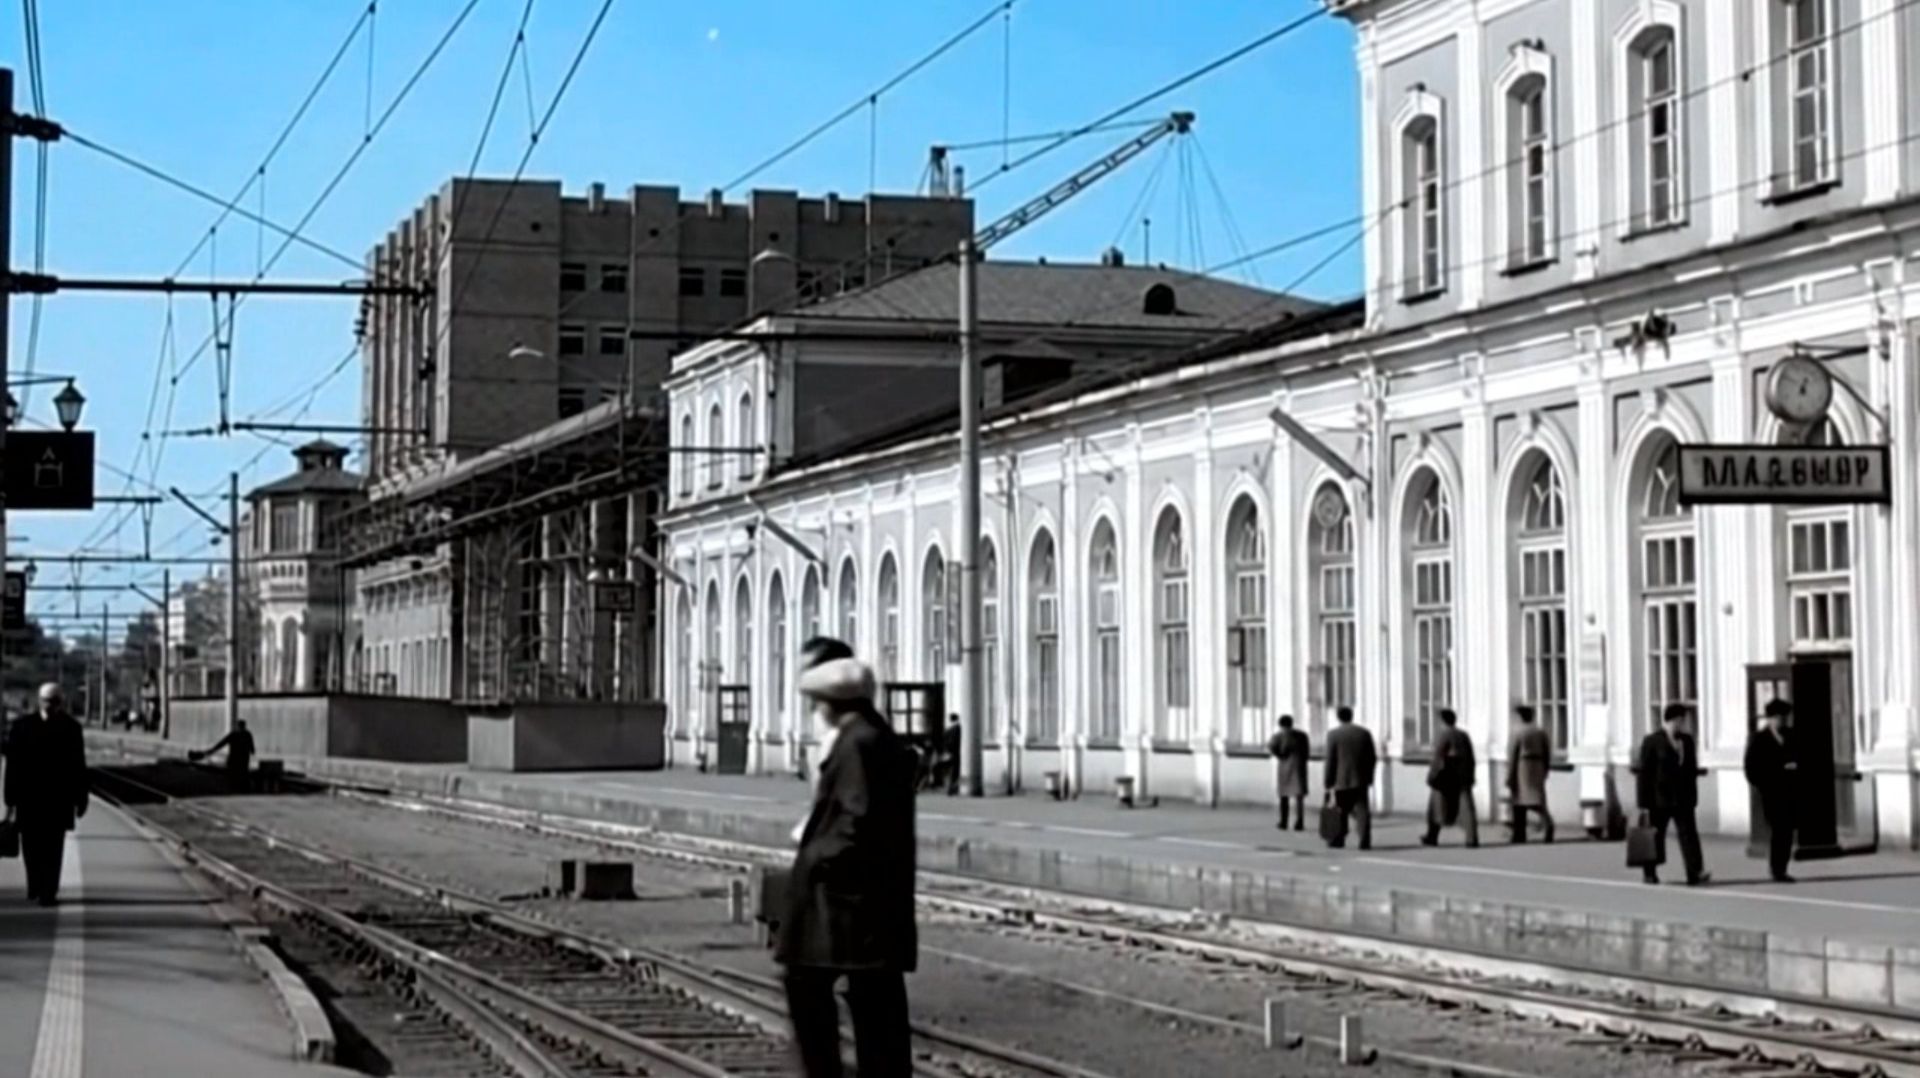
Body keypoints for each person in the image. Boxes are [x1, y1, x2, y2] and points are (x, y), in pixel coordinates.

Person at [778, 657, 916, 1077]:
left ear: (831, 704)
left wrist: (814, 853)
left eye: (817, 703)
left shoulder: (857, 743)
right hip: (871, 907)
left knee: (808, 989)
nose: (815, 712)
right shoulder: (879, 738)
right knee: (878, 1003)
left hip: (844, 907)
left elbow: (855, 822)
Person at [3, 683, 89, 906]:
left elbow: (78, 766)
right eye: (47, 701)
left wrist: (81, 798)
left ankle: (48, 890)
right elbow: (13, 765)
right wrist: (9, 798)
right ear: (39, 701)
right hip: (28, 798)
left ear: (61, 703)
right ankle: (35, 884)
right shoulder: (22, 727)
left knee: (53, 847)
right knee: (31, 847)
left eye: (55, 702)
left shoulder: (71, 728)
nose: (50, 706)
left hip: (58, 799)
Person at [1635, 703, 1710, 886]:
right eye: (1679, 720)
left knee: (1689, 836)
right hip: (1659, 799)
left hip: (1683, 799)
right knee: (1655, 836)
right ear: (1670, 720)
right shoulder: (1653, 741)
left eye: (1683, 721)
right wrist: (1643, 803)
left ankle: (1694, 872)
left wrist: (1693, 795)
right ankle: (1650, 872)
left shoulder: (1687, 741)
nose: (1682, 724)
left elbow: (1691, 769)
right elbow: (1644, 773)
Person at [1744, 698, 1799, 883]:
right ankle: (1776, 868)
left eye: (1784, 717)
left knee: (1787, 831)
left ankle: (1782, 867)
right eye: (1778, 717)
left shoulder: (1792, 736)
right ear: (1770, 719)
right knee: (1777, 830)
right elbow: (1751, 767)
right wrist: (1763, 784)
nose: (1782, 721)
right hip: (1770, 792)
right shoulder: (1759, 739)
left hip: (1791, 791)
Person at [1422, 708, 1479, 847]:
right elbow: (1471, 757)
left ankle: (1432, 836)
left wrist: (1432, 776)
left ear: (1442, 721)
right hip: (1463, 776)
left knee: (1436, 808)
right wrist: (1471, 775)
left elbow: (1438, 758)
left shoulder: (1444, 735)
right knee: (1466, 809)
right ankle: (1472, 838)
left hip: (1445, 777)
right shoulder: (1464, 735)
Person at [1322, 706, 1377, 850]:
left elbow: (1330, 759)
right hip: (1360, 779)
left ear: (1338, 717)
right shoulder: (1364, 733)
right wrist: (1369, 776)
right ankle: (1365, 838)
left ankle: (1338, 838)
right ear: (1352, 716)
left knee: (1341, 810)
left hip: (1341, 779)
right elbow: (1372, 757)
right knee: (1362, 810)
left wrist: (1328, 781)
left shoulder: (1333, 735)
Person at [1505, 705, 1555, 844]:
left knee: (1519, 802)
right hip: (1538, 766)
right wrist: (1545, 769)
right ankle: (1548, 824)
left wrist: (1509, 775)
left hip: (1522, 767)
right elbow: (1547, 752)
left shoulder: (1517, 732)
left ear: (1521, 717)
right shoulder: (1540, 731)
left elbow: (1512, 754)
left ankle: (1519, 834)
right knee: (1537, 799)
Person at [1268, 714, 1309, 831]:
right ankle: (1299, 822)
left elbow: (1271, 747)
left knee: (1283, 796)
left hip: (1285, 767)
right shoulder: (1302, 735)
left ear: (1280, 724)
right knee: (1299, 797)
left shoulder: (1278, 736)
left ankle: (1284, 821)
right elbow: (1307, 752)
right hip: (1299, 767)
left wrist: (1280, 755)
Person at [193, 720, 256, 793]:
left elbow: (221, 744)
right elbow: (252, 750)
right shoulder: (247, 735)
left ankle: (233, 793)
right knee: (242, 780)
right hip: (243, 762)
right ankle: (243, 793)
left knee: (233, 781)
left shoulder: (234, 735)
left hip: (234, 762)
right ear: (244, 726)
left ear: (237, 726)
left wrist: (209, 751)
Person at [942, 713, 962, 795]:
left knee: (949, 771)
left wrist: (946, 751)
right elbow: (956, 742)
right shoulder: (957, 728)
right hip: (955, 752)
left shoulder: (947, 730)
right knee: (955, 771)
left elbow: (944, 741)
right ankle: (952, 789)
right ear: (957, 719)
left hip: (949, 752)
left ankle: (949, 788)